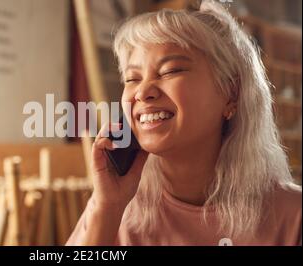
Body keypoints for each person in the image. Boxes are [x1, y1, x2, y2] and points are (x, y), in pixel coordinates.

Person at [66, 0, 301, 246]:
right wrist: (107, 207)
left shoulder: (293, 218)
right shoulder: (114, 208)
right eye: (132, 78)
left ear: (231, 94)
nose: (143, 92)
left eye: (169, 71)